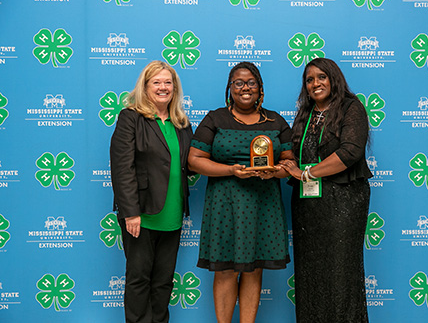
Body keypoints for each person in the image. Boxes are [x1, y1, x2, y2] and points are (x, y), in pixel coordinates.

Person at [188, 62, 293, 323]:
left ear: (260, 89)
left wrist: (276, 172)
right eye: (238, 82)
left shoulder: (276, 120)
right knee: (224, 270)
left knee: (254, 269)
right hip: (225, 201)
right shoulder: (215, 118)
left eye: (251, 83)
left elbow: (290, 163)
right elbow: (194, 160)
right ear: (229, 88)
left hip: (263, 203)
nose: (245, 88)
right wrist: (230, 170)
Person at [280, 57, 373, 323]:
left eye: (321, 77)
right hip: (309, 205)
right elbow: (296, 158)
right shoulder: (306, 114)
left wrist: (307, 173)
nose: (315, 83)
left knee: (341, 272)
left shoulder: (351, 107)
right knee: (310, 272)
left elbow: (350, 152)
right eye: (309, 80)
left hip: (344, 201)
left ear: (334, 78)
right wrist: (278, 168)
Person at [110, 60, 193, 323]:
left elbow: (188, 163)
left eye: (168, 82)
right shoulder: (130, 117)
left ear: (175, 88)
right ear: (145, 87)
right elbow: (122, 168)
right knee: (138, 279)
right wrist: (130, 213)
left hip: (172, 213)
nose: (163, 87)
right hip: (142, 214)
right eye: (156, 82)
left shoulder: (182, 123)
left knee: (163, 282)